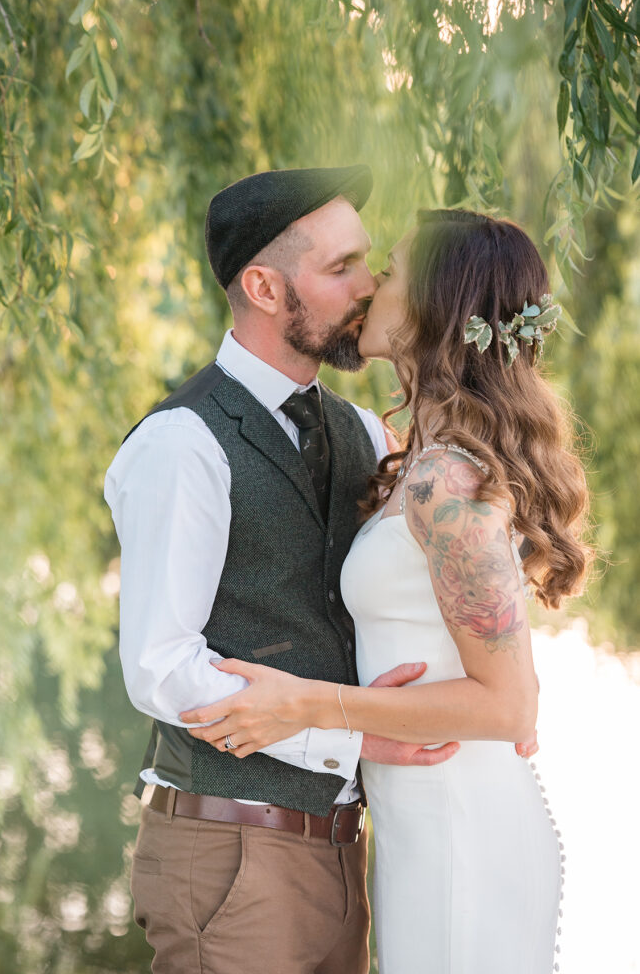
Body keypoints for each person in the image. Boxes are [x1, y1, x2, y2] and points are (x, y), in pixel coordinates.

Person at [179, 209, 591, 973]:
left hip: (457, 830)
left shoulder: (445, 480)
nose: (370, 286)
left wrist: (302, 703)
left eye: (392, 270)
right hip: (419, 827)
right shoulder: (418, 463)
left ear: (434, 304)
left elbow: (508, 707)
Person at [104, 167, 463, 974]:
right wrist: (345, 735)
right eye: (340, 269)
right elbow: (159, 668)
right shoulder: (183, 444)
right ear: (265, 288)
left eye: (368, 262)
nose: (369, 285)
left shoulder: (363, 433)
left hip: (347, 853)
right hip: (229, 852)